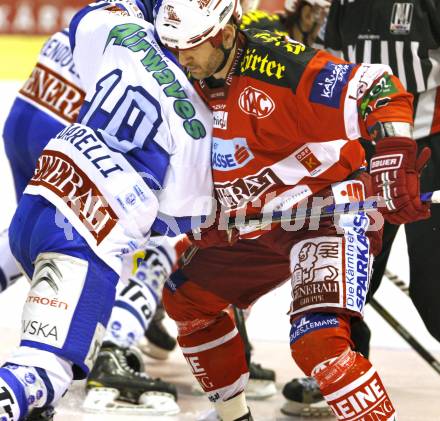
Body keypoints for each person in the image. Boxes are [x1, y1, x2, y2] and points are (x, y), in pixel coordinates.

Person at [155, 0, 430, 420]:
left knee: (317, 341)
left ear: (227, 34)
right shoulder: (185, 75)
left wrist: (393, 153)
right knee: (187, 299)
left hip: (329, 210)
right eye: (173, 46)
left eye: (192, 45)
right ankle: (233, 416)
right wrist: (208, 212)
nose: (181, 57)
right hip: (259, 222)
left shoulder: (280, 66)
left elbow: (379, 86)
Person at [0, 0, 214, 419]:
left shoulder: (115, 31)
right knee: (45, 371)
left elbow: (85, 25)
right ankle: (116, 343)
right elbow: (184, 218)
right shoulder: (199, 125)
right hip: (84, 239)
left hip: (42, 194)